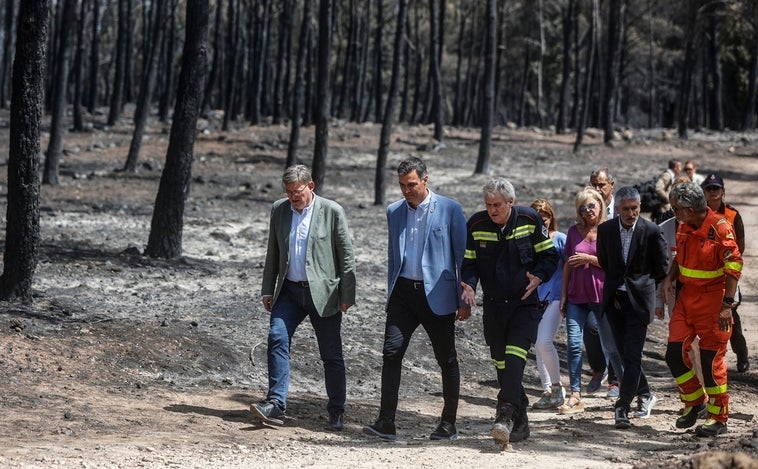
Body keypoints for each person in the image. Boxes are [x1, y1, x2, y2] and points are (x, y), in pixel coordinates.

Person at [363, 157, 470, 442]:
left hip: (437, 294)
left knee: (446, 358)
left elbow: (463, 257)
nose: (406, 191)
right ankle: (386, 421)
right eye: (401, 185)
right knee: (391, 352)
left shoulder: (450, 209)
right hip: (402, 294)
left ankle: (448, 423)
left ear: (425, 180)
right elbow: (392, 256)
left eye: (411, 184)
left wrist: (465, 298)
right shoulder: (394, 211)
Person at [253, 165, 356, 431]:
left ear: (310, 186)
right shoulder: (279, 209)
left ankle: (336, 411)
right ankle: (276, 404)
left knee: (330, 353)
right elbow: (272, 252)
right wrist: (267, 288)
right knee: (277, 337)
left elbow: (346, 255)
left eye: (296, 191)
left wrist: (347, 294)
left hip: (323, 293)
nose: (292, 197)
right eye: (287, 192)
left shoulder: (332, 211)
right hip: (288, 291)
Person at [460, 178, 559, 445]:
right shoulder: (477, 224)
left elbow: (550, 257)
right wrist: (468, 285)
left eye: (497, 205)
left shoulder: (529, 219)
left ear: (511, 203)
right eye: (488, 205)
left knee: (515, 359)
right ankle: (522, 422)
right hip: (493, 307)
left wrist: (538, 276)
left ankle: (504, 415)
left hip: (524, 304)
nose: (492, 210)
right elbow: (469, 263)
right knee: (503, 366)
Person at [662, 182, 743, 437]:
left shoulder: (720, 228)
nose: (674, 213)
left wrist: (726, 306)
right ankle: (694, 401)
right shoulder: (684, 227)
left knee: (710, 362)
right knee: (674, 355)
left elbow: (734, 267)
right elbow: (680, 259)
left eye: (676, 208)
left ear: (688, 208)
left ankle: (718, 417)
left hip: (714, 303)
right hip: (687, 300)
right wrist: (669, 279)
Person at [596, 187, 670, 429]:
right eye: (626, 209)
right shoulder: (606, 230)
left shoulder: (651, 231)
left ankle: (622, 406)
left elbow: (662, 267)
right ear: (617, 209)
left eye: (634, 208)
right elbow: (606, 263)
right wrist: (617, 289)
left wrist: (650, 294)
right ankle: (646, 393)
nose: (630, 213)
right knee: (622, 353)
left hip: (640, 303)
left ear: (639, 207)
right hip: (615, 301)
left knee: (633, 354)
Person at [558, 188, 623, 415]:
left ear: (600, 205)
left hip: (601, 297)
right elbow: (567, 264)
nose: (587, 211)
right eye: (582, 208)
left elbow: (615, 266)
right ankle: (575, 394)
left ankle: (625, 389)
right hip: (577, 296)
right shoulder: (574, 232)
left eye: (591, 206)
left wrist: (589, 259)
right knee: (574, 345)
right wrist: (563, 295)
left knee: (611, 347)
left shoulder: (610, 231)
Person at [701, 173, 749, 373]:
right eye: (709, 188)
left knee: (731, 315)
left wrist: (728, 267)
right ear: (704, 192)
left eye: (716, 188)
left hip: (726, 273)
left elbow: (740, 245)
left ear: (723, 191)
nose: (712, 192)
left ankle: (742, 354)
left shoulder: (732, 214)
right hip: (703, 273)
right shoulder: (697, 214)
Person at [587, 167, 621, 397]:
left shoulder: (622, 210)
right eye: (595, 185)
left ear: (612, 184)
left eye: (602, 184)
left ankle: (616, 380)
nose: (599, 189)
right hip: (595, 284)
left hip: (619, 282)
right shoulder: (587, 209)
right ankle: (599, 369)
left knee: (616, 331)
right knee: (591, 328)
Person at [530, 199, 567, 410]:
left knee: (544, 341)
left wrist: (566, 296)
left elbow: (569, 268)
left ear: (551, 217)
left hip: (555, 297)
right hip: (536, 297)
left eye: (545, 216)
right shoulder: (528, 241)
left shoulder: (560, 239)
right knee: (538, 344)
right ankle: (547, 391)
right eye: (537, 216)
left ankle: (557, 387)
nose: (541, 220)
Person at [654, 159, 682, 223]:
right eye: (680, 167)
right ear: (675, 167)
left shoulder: (671, 175)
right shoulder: (667, 175)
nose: (681, 169)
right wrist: (668, 199)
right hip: (663, 208)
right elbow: (658, 188)